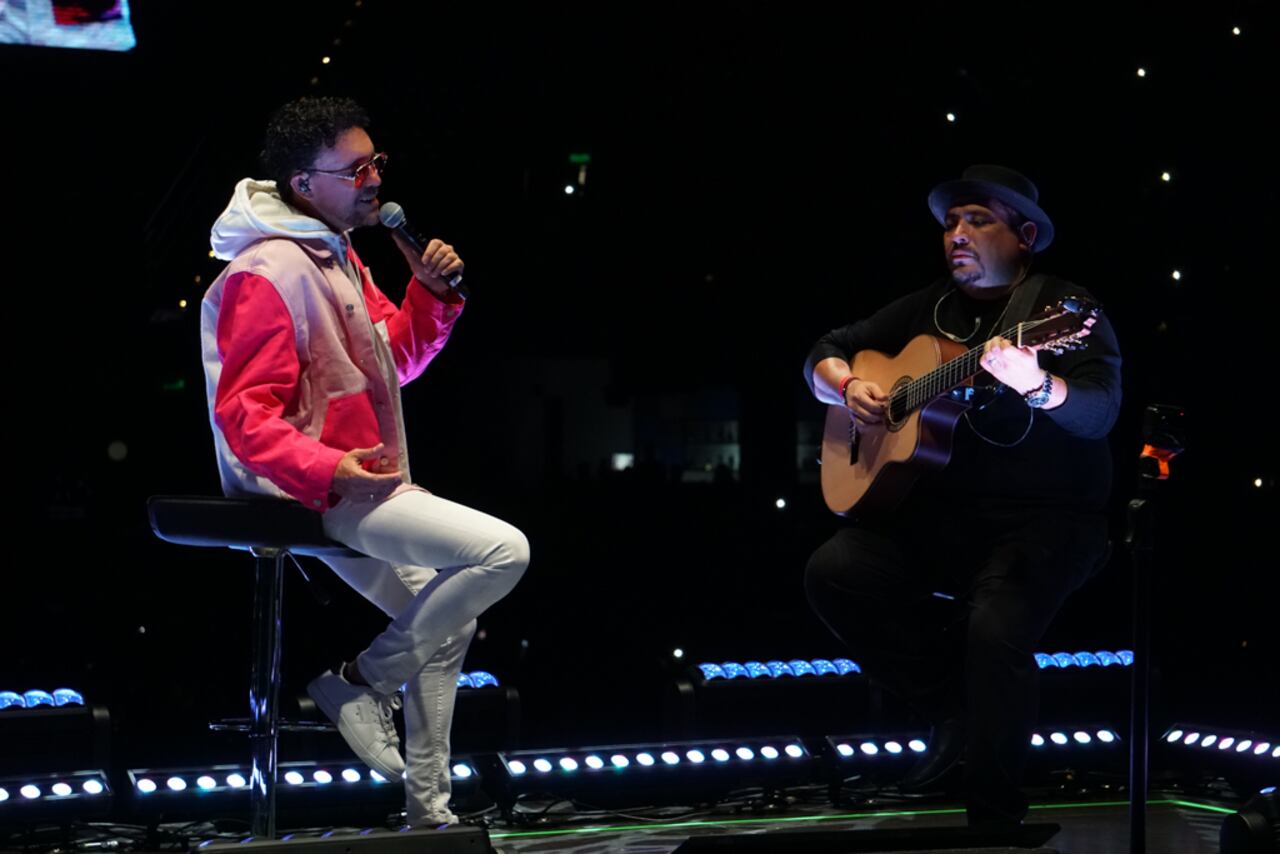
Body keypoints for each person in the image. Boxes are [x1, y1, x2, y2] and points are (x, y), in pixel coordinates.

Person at [200, 96, 530, 828]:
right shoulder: (268, 271)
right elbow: (245, 415)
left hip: (357, 479)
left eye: (376, 161)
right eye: (355, 169)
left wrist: (432, 291)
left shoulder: (336, 255)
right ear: (303, 184)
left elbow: (396, 358)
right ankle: (358, 684)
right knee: (503, 552)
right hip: (312, 487)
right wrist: (330, 472)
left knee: (446, 623)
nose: (374, 178)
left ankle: (428, 815)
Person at [802, 164, 1121, 824]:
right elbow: (828, 351)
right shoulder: (929, 309)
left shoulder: (1064, 311)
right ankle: (951, 705)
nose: (957, 234)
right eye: (950, 223)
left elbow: (1099, 413)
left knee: (996, 627)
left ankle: (994, 811)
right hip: (946, 521)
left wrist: (1037, 386)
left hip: (1049, 522)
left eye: (978, 220)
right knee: (835, 571)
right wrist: (846, 385)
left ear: (1025, 235)